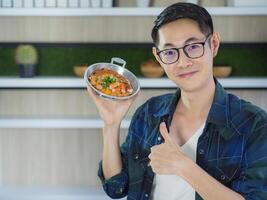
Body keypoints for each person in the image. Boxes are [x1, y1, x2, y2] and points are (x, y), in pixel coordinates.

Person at [87, 2, 267, 200]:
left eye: (193, 47)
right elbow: (116, 188)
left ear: (213, 44)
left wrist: (183, 166)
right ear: (158, 57)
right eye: (170, 52)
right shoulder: (149, 112)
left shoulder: (254, 123)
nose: (183, 62)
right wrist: (111, 125)